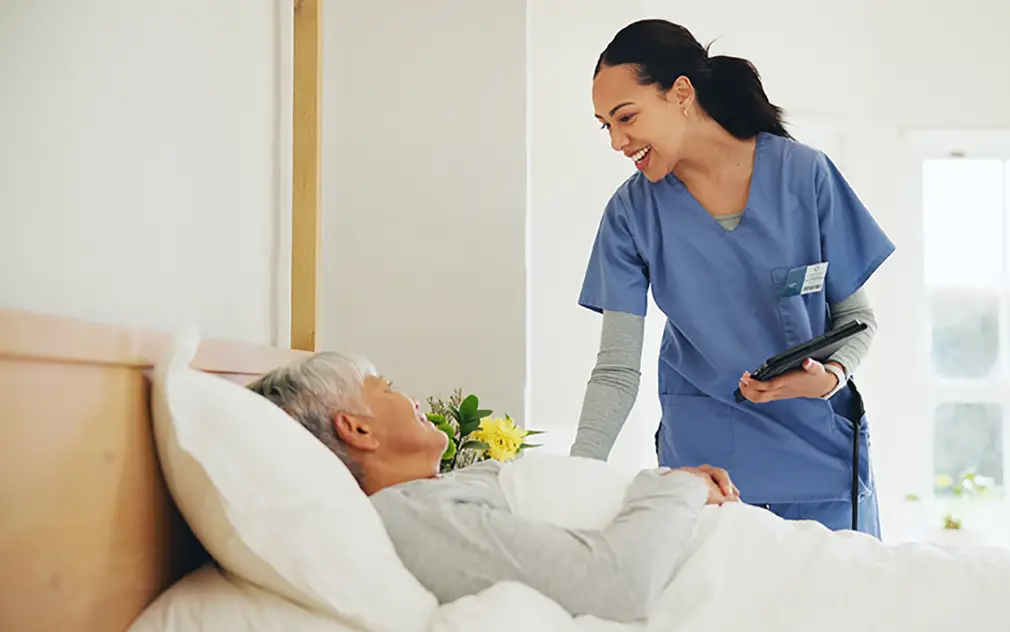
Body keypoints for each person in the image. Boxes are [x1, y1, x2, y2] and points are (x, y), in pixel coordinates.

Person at [570, 18, 894, 537]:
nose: (617, 141)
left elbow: (856, 319)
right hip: (705, 476)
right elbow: (615, 370)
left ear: (680, 94)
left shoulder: (805, 177)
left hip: (818, 462)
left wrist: (830, 377)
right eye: (605, 124)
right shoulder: (632, 213)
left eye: (626, 117)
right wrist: (573, 482)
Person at [245, 351, 739, 623]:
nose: (412, 397)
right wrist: (675, 486)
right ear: (359, 429)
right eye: (389, 389)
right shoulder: (408, 516)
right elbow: (618, 584)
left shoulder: (435, 492)